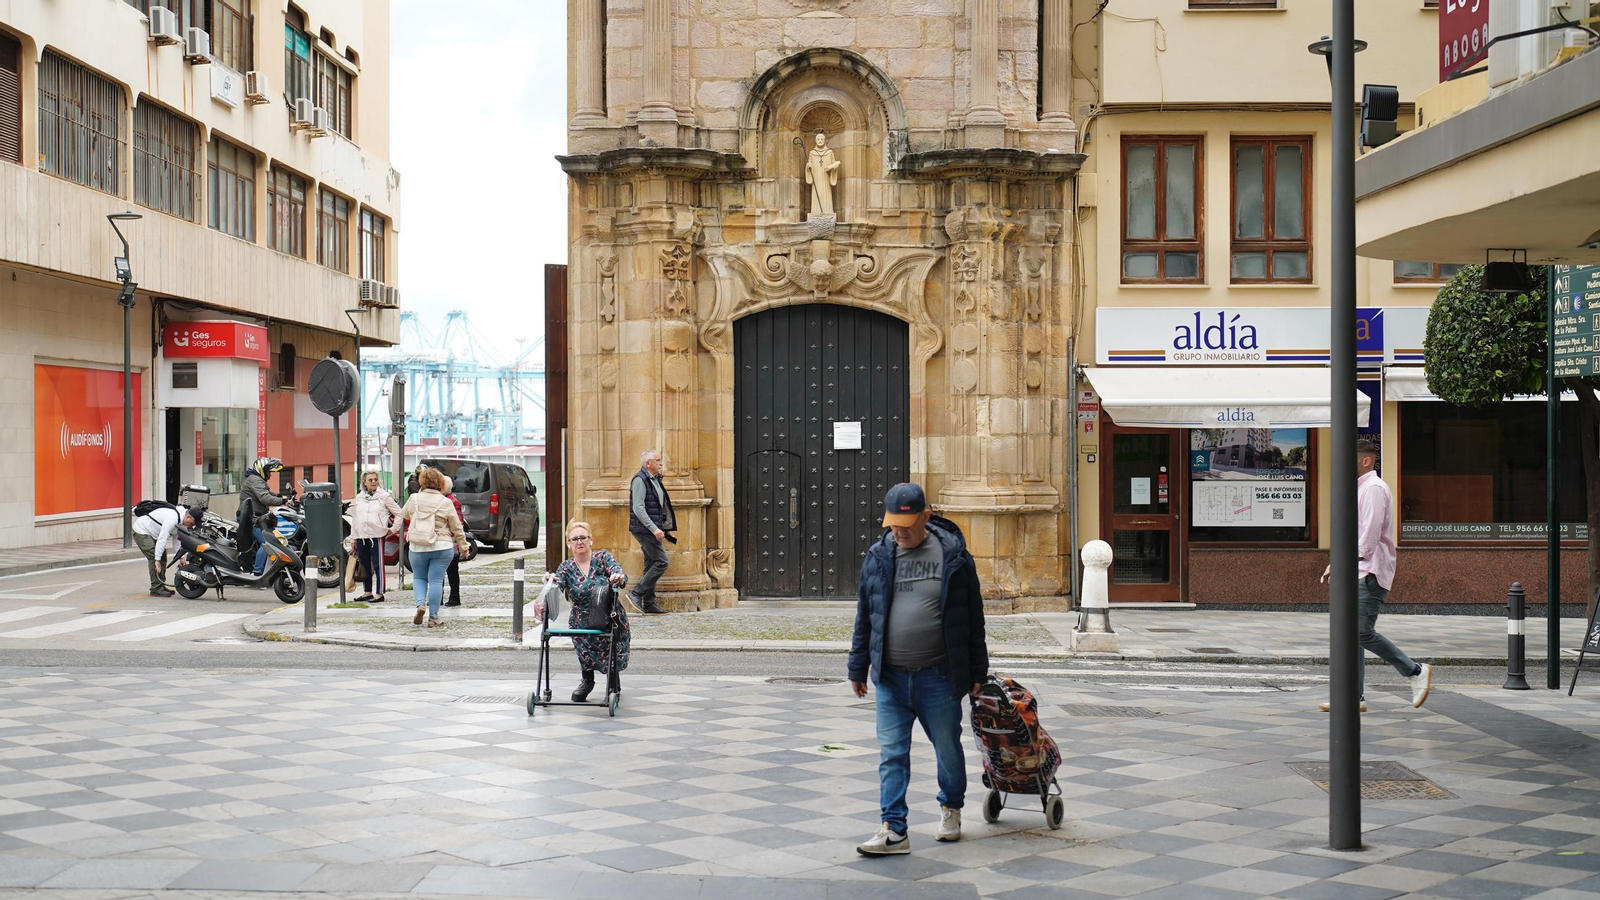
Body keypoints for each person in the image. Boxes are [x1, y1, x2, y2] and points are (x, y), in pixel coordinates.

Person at [849, 483, 988, 856]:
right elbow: (866, 615)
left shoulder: (954, 556)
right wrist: (857, 666)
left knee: (946, 748)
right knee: (891, 753)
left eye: (907, 525)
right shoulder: (878, 555)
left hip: (938, 675)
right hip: (891, 677)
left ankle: (951, 808)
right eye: (894, 525)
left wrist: (978, 671)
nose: (900, 532)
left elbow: (972, 618)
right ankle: (894, 828)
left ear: (926, 517)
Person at [1320, 440, 1432, 712]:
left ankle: (1415, 671)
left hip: (1369, 572)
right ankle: (1353, 697)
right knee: (1350, 634)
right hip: (1357, 570)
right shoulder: (1361, 488)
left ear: (1366, 461)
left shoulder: (1372, 489)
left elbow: (1367, 541)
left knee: (1358, 632)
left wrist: (1340, 564)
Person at [547, 520, 630, 702]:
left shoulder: (602, 558)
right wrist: (551, 581)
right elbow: (558, 585)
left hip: (607, 615)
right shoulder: (566, 567)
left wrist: (617, 577)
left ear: (591, 540)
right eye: (574, 539)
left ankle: (612, 677)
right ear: (568, 544)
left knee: (610, 648)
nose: (579, 542)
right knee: (583, 649)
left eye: (583, 537)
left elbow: (619, 573)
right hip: (581, 619)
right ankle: (587, 680)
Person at [401, 467, 470, 628]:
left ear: (422, 482)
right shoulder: (445, 502)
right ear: (441, 483)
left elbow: (404, 514)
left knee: (419, 577)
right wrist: (463, 546)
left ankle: (420, 605)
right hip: (442, 546)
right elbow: (457, 527)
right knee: (436, 580)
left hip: (418, 545)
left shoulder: (414, 498)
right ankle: (433, 617)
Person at [628, 449, 675, 615]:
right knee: (662, 562)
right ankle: (636, 593)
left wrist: (666, 529)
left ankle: (648, 603)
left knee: (650, 564)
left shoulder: (654, 479)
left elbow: (659, 507)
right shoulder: (640, 480)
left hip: (651, 529)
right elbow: (638, 508)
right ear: (648, 464)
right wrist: (654, 529)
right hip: (644, 530)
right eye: (657, 460)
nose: (661, 463)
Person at [240, 457, 300, 575]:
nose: (270, 475)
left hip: (255, 517)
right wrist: (284, 501)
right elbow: (265, 498)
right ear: (262, 470)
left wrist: (281, 496)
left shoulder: (256, 479)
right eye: (269, 472)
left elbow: (268, 492)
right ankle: (257, 573)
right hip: (252, 519)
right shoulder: (255, 480)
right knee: (267, 543)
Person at [349, 470, 402, 603]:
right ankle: (367, 591)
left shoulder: (383, 496)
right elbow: (355, 519)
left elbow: (399, 513)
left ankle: (380, 592)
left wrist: (393, 529)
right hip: (361, 535)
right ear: (364, 482)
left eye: (375, 479)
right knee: (364, 564)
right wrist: (353, 538)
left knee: (378, 564)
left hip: (376, 535)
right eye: (370, 480)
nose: (373, 482)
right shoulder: (360, 497)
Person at [133, 503, 195, 596]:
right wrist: (157, 559)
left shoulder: (180, 520)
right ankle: (156, 589)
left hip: (153, 533)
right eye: (192, 524)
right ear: (188, 517)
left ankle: (160, 585)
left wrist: (181, 558)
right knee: (154, 557)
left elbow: (177, 539)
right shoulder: (172, 518)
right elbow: (163, 538)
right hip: (142, 530)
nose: (191, 526)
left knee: (163, 557)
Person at [442, 474, 468, 607]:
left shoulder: (453, 502)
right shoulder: (442, 500)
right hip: (442, 541)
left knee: (452, 571)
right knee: (439, 572)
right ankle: (439, 597)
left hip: (450, 541)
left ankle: (454, 597)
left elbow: (458, 523)